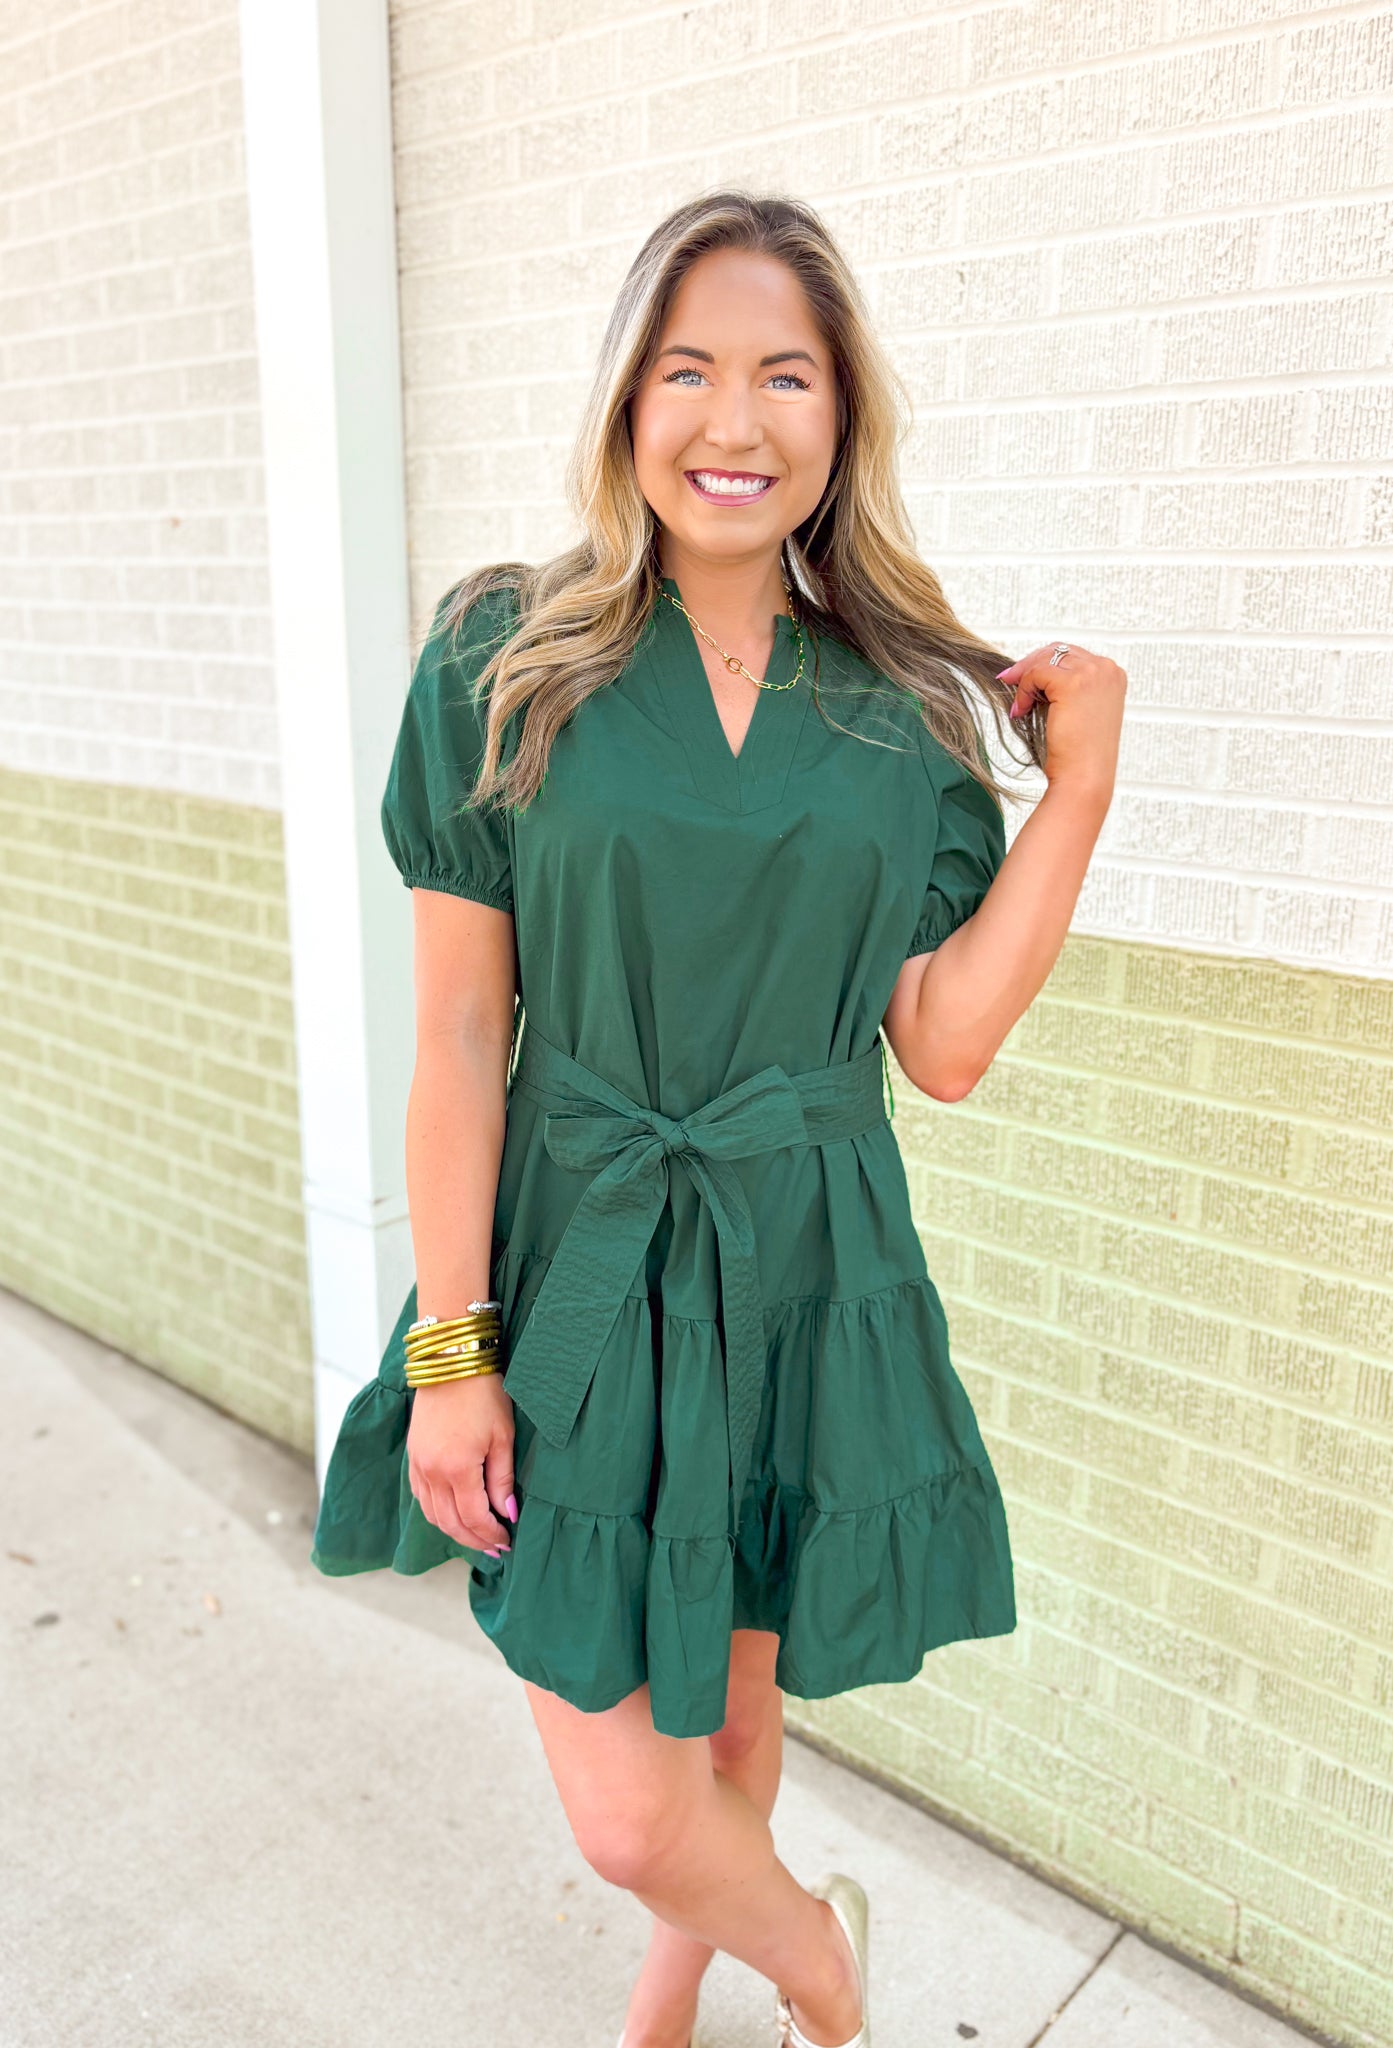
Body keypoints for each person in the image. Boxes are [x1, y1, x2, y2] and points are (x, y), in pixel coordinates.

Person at [310, 190, 1125, 2048]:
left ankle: (661, 2024)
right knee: (624, 1806)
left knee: (735, 1723)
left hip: (802, 1257)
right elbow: (455, 1036)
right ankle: (825, 1968)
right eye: (687, 370)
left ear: (841, 418)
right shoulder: (505, 661)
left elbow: (940, 1041)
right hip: (581, 1248)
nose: (730, 422)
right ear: (625, 400)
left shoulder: (901, 712)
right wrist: (453, 1348)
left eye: (782, 375)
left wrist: (1073, 797)